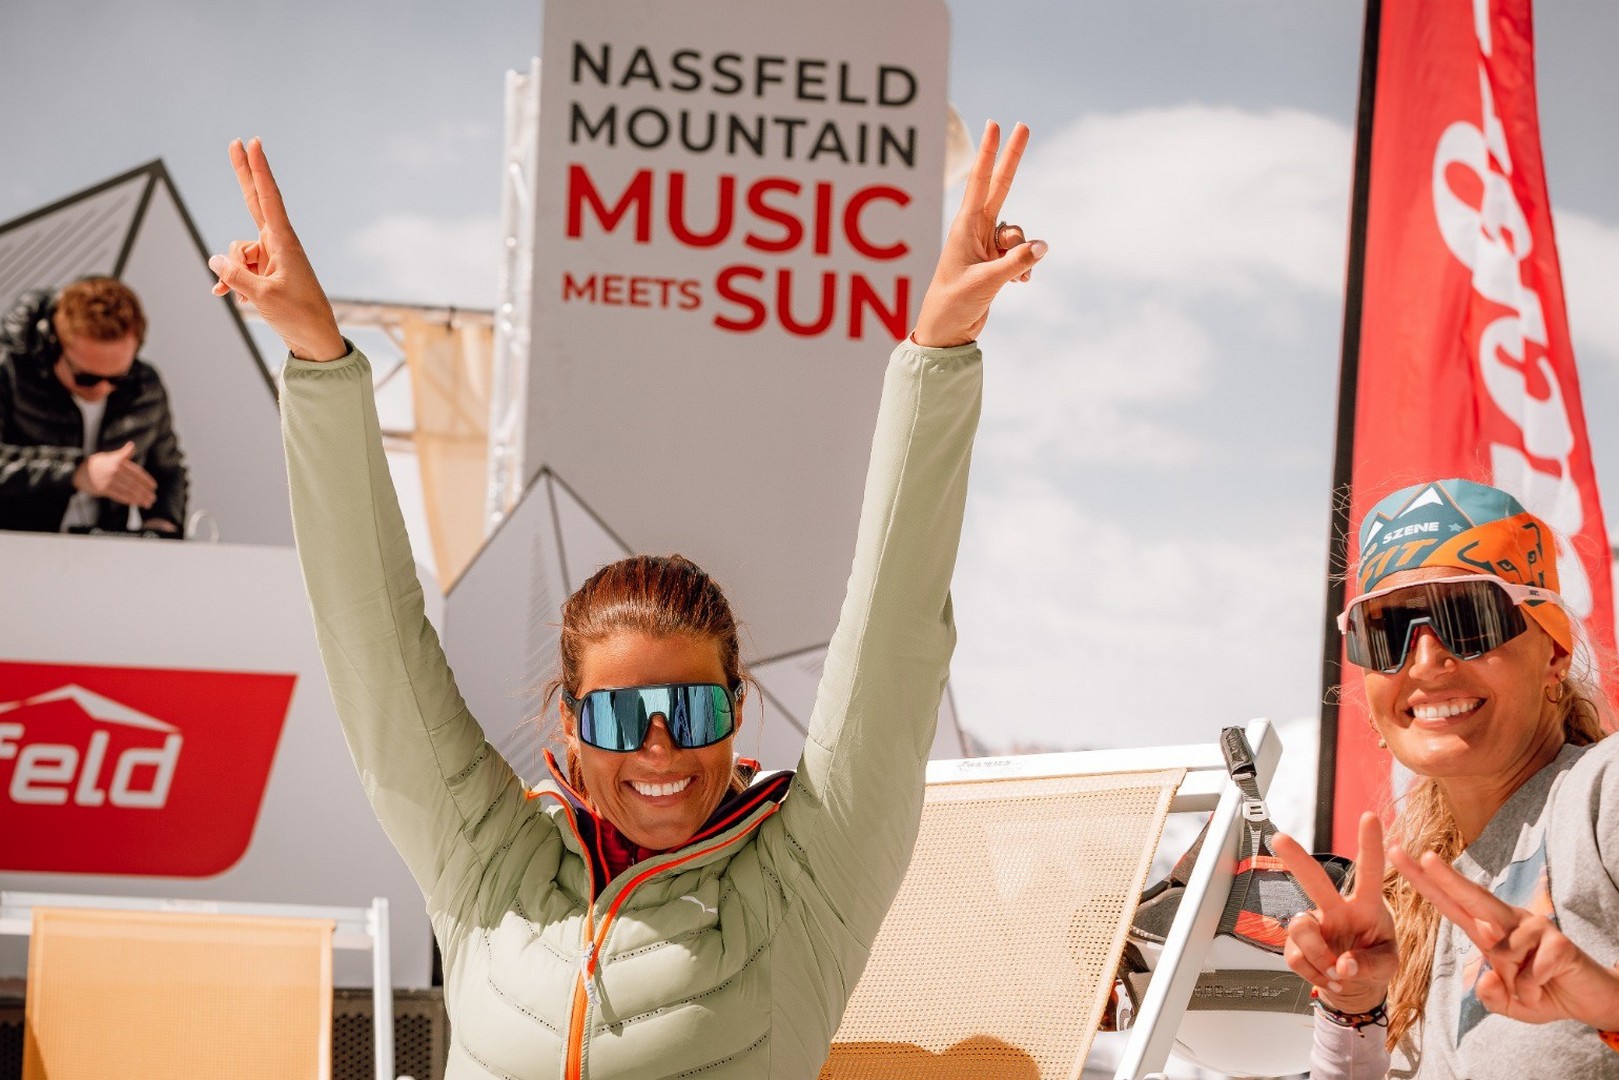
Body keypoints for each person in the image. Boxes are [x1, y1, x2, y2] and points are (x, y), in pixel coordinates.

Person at [207, 125, 1045, 1079]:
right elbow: (372, 647)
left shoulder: (805, 883)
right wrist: (319, 359)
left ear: (736, 711)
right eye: (618, 715)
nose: (657, 749)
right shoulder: (490, 863)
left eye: (688, 710)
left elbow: (891, 639)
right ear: (570, 726)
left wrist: (938, 351)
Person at [1271, 478, 1619, 1078]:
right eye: (1387, 631)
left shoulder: (1603, 792)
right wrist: (1354, 1009)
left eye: (1470, 617)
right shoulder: (1412, 901)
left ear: (1555, 654)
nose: (1427, 662)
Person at [0, 277, 188, 535]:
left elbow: (168, 470)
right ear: (53, 343)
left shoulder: (144, 386)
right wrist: (76, 472)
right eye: (86, 378)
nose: (102, 388)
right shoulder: (9, 371)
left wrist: (161, 523)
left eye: (117, 378)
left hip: (102, 550)